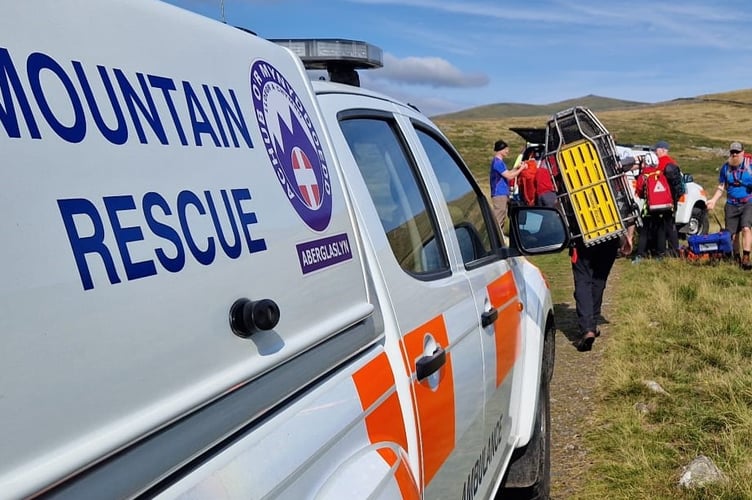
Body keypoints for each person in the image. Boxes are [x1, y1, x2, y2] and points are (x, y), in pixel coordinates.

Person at [571, 229, 633, 351]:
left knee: (583, 281)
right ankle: (591, 324)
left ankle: (588, 328)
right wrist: (629, 237)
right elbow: (630, 211)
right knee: (599, 282)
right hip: (609, 237)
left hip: (582, 237)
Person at [706, 141, 752, 270]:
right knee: (732, 234)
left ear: (743, 152)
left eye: (737, 152)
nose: (735, 154)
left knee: (746, 228)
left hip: (748, 202)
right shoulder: (725, 168)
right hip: (731, 204)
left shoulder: (750, 165)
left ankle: (746, 257)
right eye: (732, 152)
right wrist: (713, 201)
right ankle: (736, 256)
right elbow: (721, 187)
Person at [489, 139, 527, 241]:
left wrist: (517, 168)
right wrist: (521, 169)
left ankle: (498, 238)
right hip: (499, 193)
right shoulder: (497, 163)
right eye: (506, 149)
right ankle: (493, 238)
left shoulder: (500, 162)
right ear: (500, 149)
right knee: (499, 217)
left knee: (502, 217)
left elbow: (509, 172)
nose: (507, 151)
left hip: (503, 193)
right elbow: (509, 176)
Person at [653, 141, 681, 256]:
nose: (655, 151)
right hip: (671, 200)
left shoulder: (659, 163)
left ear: (663, 150)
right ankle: (674, 250)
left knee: (660, 226)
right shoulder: (673, 163)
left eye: (657, 149)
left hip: (659, 200)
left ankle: (661, 251)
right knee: (671, 225)